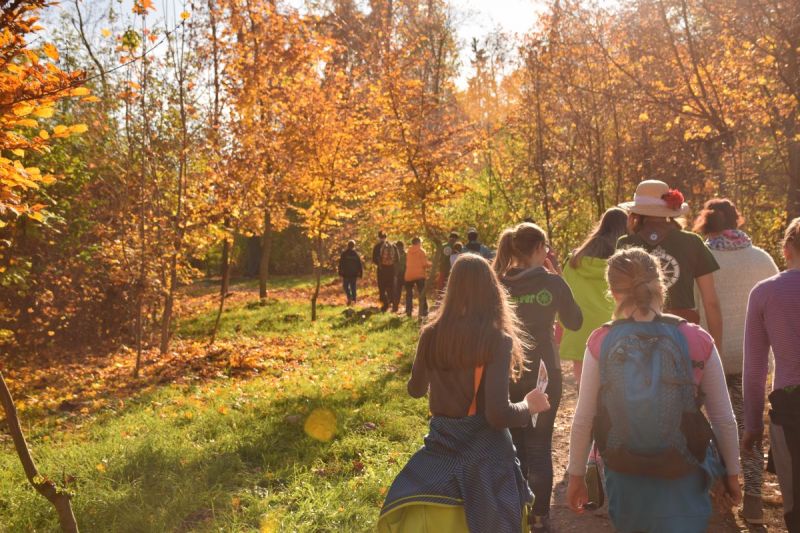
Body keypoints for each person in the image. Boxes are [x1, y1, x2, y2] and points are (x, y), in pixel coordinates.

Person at [567, 247, 741, 532]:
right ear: (661, 283)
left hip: (625, 471)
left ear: (611, 290)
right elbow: (723, 418)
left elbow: (583, 418)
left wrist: (576, 476)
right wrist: (732, 474)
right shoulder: (696, 338)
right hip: (685, 468)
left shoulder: (601, 341)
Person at [378, 254, 551, 533]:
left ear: (452, 288)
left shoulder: (431, 334)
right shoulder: (497, 339)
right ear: (491, 291)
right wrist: (529, 405)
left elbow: (415, 389)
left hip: (441, 445)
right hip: (487, 455)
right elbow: (497, 414)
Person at [693, 198, 779, 524]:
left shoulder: (700, 256)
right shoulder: (762, 259)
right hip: (751, 358)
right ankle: (753, 499)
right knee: (750, 429)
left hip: (708, 354)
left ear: (706, 222)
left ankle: (718, 493)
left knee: (709, 426)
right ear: (737, 221)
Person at [494, 222, 583, 532]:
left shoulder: (498, 283)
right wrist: (557, 277)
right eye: (545, 247)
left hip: (505, 371)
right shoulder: (553, 283)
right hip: (544, 373)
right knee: (539, 445)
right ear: (537, 250)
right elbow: (575, 321)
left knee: (516, 446)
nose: (548, 252)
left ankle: (517, 511)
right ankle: (540, 517)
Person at [743, 217, 800, 533]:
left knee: (796, 508)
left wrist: (752, 427)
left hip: (792, 408)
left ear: (787, 249)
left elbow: (755, 370)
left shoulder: (766, 292)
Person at [617, 180, 723, 348]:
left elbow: (620, 299)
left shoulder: (624, 244)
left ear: (636, 213)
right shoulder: (692, 242)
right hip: (683, 336)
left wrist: (631, 235)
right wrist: (716, 350)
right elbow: (711, 303)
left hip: (639, 336)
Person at [560, 207, 628, 387]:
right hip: (615, 324)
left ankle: (587, 411)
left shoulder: (574, 260)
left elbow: (565, 291)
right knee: (615, 383)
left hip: (581, 324)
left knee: (585, 385)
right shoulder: (625, 259)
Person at [404, 237, 431, 318]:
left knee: (409, 294)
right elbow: (424, 264)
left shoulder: (408, 251)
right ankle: (424, 311)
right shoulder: (421, 251)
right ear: (418, 242)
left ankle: (408, 311)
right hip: (419, 275)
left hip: (409, 275)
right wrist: (431, 264)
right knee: (422, 293)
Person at [372, 231, 398, 312]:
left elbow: (374, 259)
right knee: (391, 287)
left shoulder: (377, 247)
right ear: (386, 237)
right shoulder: (393, 246)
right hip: (391, 270)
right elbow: (397, 259)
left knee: (382, 287)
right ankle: (393, 305)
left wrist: (380, 264)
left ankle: (385, 305)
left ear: (378, 237)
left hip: (381, 270)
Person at [337, 240, 363, 306]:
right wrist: (360, 273)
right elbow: (359, 264)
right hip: (354, 274)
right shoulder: (356, 254)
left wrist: (340, 272)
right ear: (353, 246)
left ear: (348, 245)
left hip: (346, 274)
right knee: (353, 287)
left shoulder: (344, 253)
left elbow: (341, 264)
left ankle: (350, 297)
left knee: (345, 286)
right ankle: (353, 299)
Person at [392, 240, 406, 313]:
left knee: (396, 291)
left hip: (397, 274)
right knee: (398, 291)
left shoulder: (394, 254)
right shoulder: (406, 254)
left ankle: (395, 307)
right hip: (402, 274)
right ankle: (396, 307)